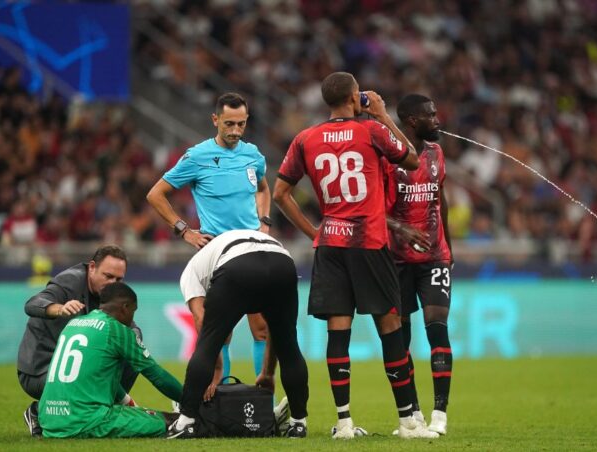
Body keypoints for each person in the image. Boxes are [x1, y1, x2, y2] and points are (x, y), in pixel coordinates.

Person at [272, 71, 437, 439]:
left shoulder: (305, 138)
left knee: (338, 330)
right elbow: (412, 160)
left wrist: (315, 232)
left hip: (331, 245)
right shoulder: (371, 130)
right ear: (353, 97)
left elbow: (280, 193)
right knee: (390, 327)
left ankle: (344, 423)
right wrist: (381, 114)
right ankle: (408, 421)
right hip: (368, 243)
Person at [146, 92, 272, 387]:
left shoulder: (253, 154)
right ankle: (224, 392)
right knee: (222, 331)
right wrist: (184, 230)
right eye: (229, 123)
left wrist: (264, 222)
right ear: (215, 120)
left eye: (241, 124)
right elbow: (155, 194)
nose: (235, 131)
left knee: (262, 328)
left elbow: (264, 189)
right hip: (218, 252)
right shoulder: (197, 156)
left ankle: (261, 396)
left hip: (253, 248)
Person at [166, 229, 309, 439]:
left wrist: (217, 369)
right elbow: (273, 332)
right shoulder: (220, 251)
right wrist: (267, 373)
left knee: (208, 342)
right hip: (282, 262)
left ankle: (185, 422)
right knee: (289, 345)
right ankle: (298, 424)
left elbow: (201, 321)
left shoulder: (190, 273)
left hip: (238, 267)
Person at [384, 94, 454, 435]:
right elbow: (374, 212)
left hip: (434, 257)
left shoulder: (437, 153)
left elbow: (441, 203)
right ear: (413, 121)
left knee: (437, 326)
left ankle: (440, 413)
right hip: (396, 260)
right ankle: (413, 414)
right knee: (402, 339)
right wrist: (400, 228)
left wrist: (449, 252)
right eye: (431, 115)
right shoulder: (389, 160)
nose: (437, 120)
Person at [17, 245, 139, 437]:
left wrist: (134, 337)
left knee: (132, 348)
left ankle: (103, 410)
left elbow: (131, 327)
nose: (113, 284)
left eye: (119, 279)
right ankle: (38, 412)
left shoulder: (110, 294)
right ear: (92, 267)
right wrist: (58, 308)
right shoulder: (69, 282)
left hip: (72, 370)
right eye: (108, 276)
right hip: (39, 371)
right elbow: (32, 304)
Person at [38, 282, 183, 438]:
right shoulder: (116, 330)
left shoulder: (73, 324)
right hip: (85, 421)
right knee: (169, 421)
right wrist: (190, 401)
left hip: (48, 421)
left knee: (134, 411)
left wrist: (128, 403)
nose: (133, 318)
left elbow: (94, 374)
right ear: (125, 307)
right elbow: (157, 375)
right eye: (133, 311)